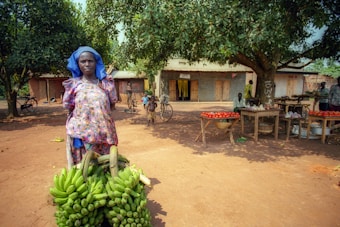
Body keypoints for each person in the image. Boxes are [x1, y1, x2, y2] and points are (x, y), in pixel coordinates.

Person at [62, 46, 118, 167]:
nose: (87, 64)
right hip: (82, 137)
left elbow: (112, 105)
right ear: (78, 64)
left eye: (90, 61)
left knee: (104, 169)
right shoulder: (74, 85)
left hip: (104, 135)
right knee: (85, 170)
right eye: (83, 61)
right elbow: (69, 107)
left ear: (96, 62)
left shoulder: (105, 84)